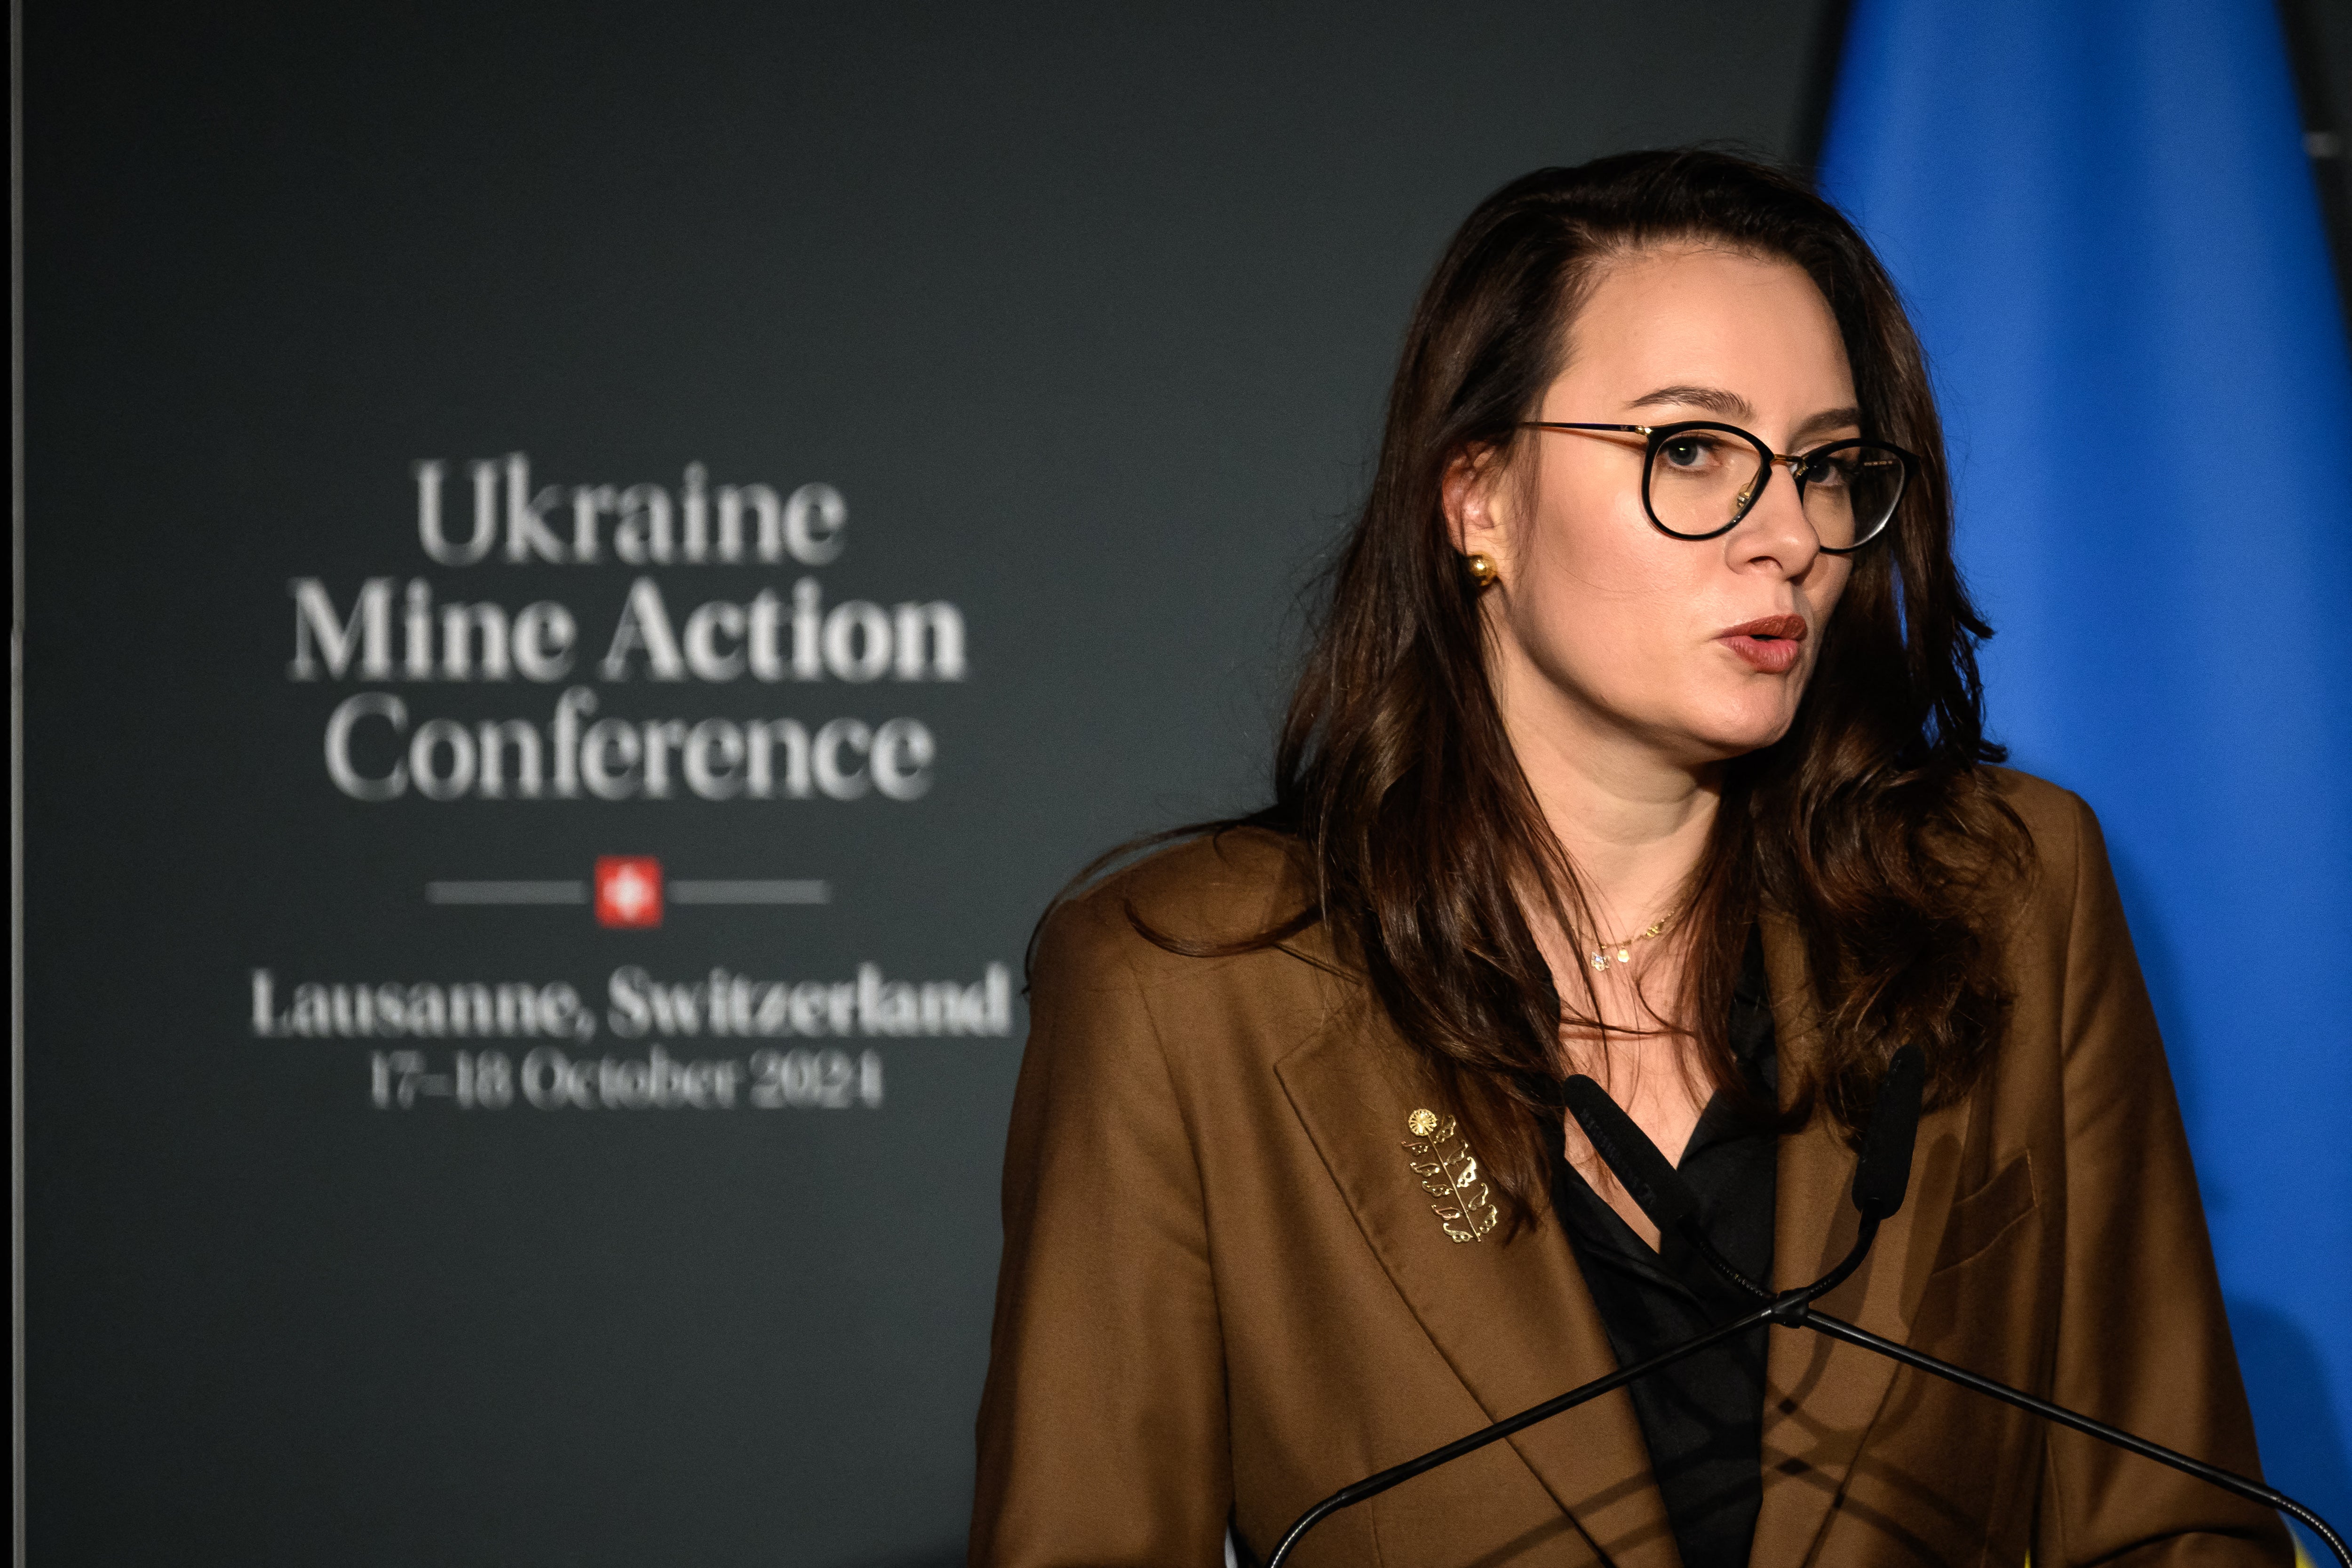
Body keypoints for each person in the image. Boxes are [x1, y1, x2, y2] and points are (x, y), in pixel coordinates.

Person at [969, 149, 2290, 1568]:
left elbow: (2176, 1527)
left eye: (1831, 469)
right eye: (1691, 452)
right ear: (1477, 500)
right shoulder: (1185, 991)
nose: (1788, 537)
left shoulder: (2010, 895)